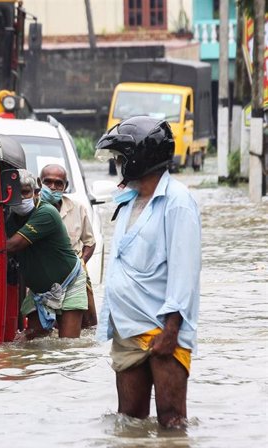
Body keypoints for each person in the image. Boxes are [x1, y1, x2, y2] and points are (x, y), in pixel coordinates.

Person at [94, 116, 201, 428]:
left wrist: (171, 331)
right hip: (127, 327)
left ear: (139, 158)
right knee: (129, 423)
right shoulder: (128, 200)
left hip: (162, 329)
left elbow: (185, 271)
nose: (118, 164)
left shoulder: (177, 202)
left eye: (121, 158)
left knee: (171, 421)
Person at [7, 169, 88, 340]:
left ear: (36, 193)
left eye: (25, 192)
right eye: (16, 193)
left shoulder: (46, 213)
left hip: (69, 282)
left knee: (68, 346)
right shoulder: (10, 218)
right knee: (34, 345)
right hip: (39, 291)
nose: (21, 198)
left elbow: (12, 245)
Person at [38, 163, 98, 328]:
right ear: (39, 183)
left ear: (66, 187)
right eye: (47, 182)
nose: (52, 187)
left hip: (74, 276)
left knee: (87, 326)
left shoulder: (77, 208)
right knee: (40, 329)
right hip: (42, 277)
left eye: (58, 183)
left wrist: (80, 264)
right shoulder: (33, 210)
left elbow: (90, 243)